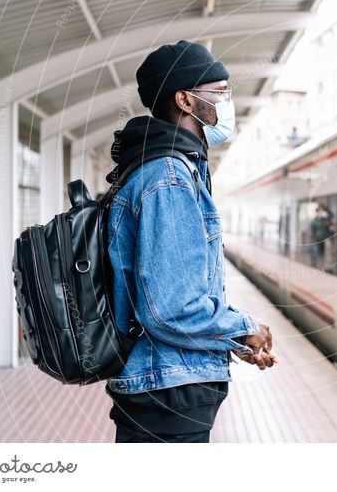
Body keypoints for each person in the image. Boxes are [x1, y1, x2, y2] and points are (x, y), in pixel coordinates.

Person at [104, 40, 278, 443]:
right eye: (219, 93)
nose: (225, 103)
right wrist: (243, 327)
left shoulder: (172, 169)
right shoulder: (168, 176)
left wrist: (229, 339)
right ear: (185, 99)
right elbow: (170, 309)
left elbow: (178, 293)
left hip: (170, 384)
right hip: (167, 389)